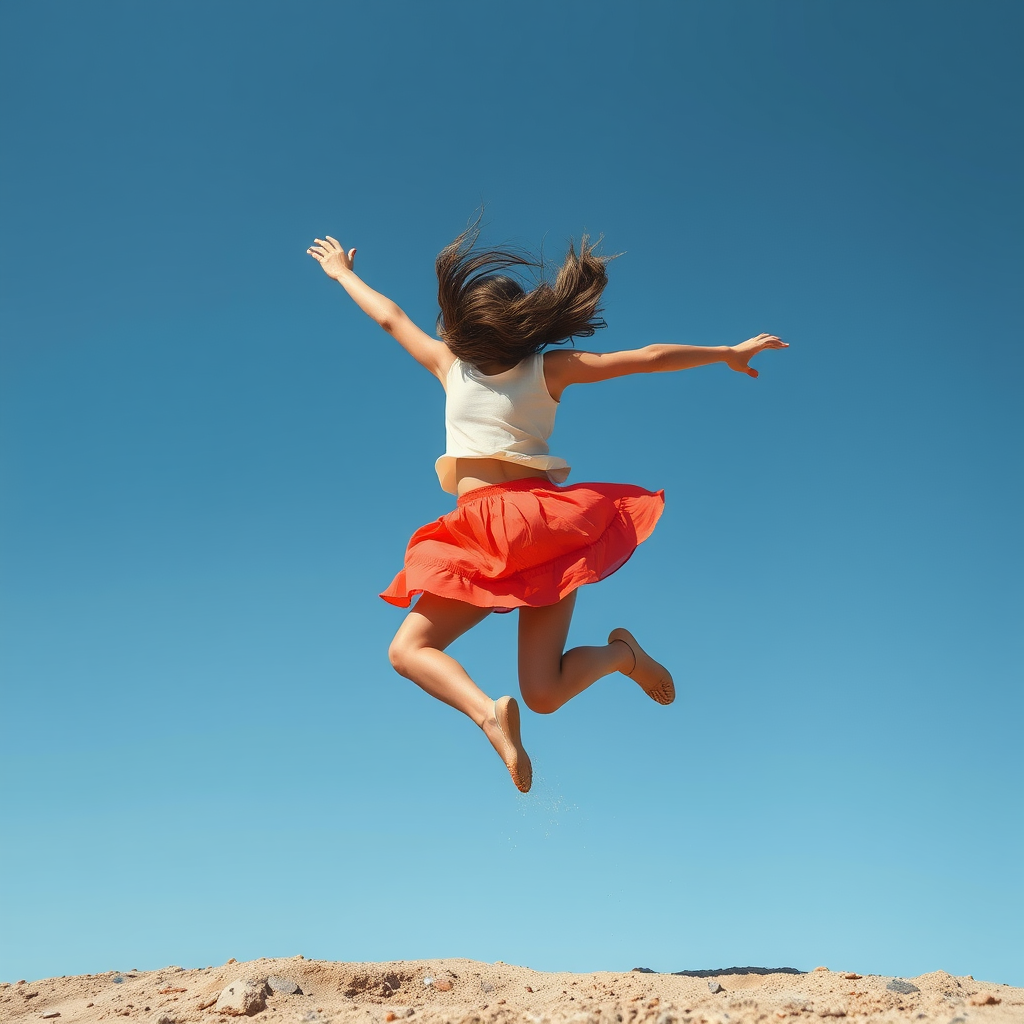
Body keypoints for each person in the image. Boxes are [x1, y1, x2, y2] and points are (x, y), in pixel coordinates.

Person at [307, 223, 787, 793]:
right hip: (540, 529)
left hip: (494, 529)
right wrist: (727, 353)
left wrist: (342, 275)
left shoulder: (450, 366)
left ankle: (504, 704)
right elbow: (646, 357)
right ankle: (606, 663)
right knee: (543, 695)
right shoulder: (547, 368)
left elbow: (390, 318)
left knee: (408, 650)